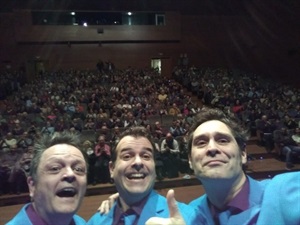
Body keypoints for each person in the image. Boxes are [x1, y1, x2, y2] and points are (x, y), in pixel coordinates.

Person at [186, 107, 300, 225]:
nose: (212, 148)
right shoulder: (188, 216)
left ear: (243, 153)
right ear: (190, 160)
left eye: (223, 140)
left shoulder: (284, 192)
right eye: (201, 143)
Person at [87, 126, 203, 225]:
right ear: (112, 169)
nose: (138, 162)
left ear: (154, 167)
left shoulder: (190, 218)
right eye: (127, 156)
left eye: (146, 156)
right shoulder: (95, 222)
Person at [6, 131, 88, 225]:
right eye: (55, 168)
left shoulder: (82, 223)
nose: (70, 174)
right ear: (32, 186)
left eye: (78, 169)